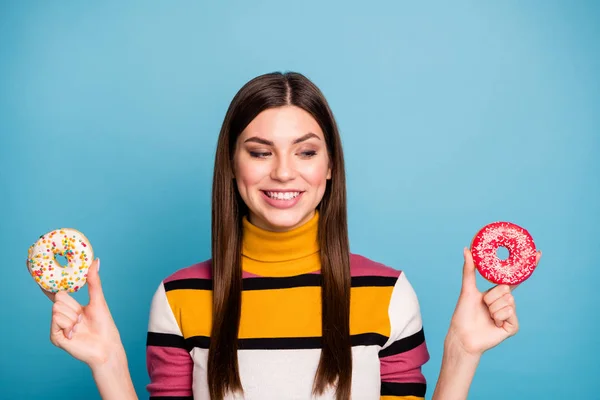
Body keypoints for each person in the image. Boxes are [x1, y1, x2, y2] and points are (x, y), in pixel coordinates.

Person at [44, 71, 541, 400]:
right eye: (260, 152)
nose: (284, 172)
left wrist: (461, 354)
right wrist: (108, 365)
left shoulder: (387, 293)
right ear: (232, 167)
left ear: (329, 169)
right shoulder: (180, 297)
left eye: (305, 152)